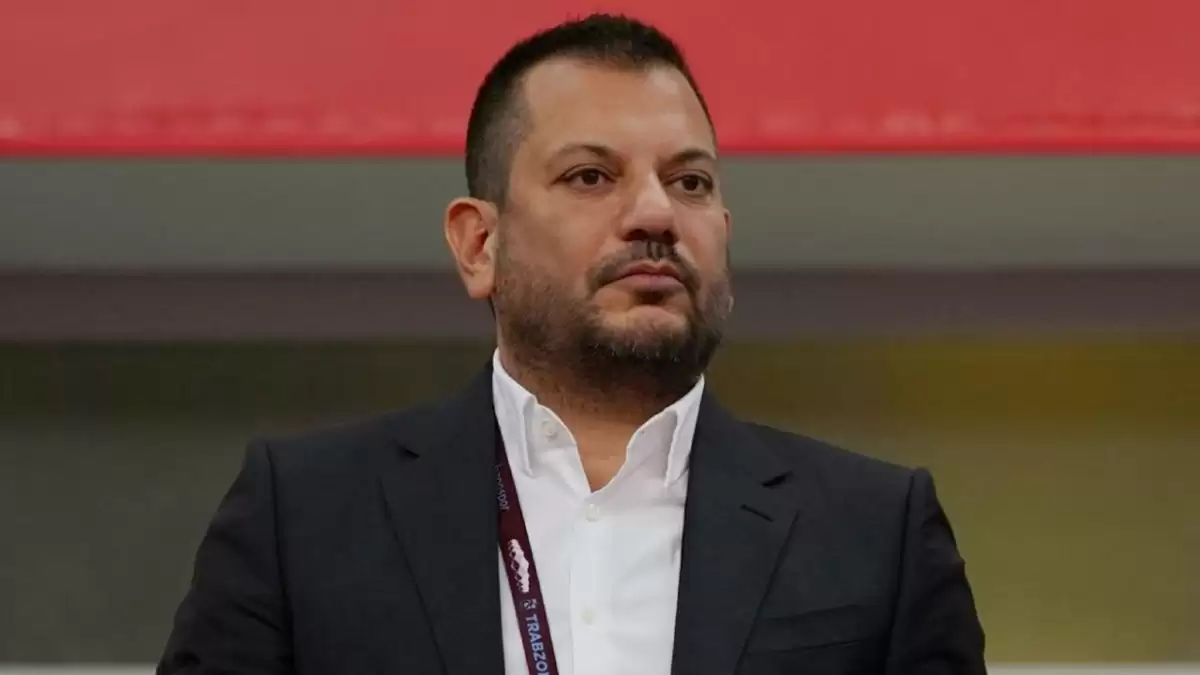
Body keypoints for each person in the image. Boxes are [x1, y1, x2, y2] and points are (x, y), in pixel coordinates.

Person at [158, 13, 986, 675]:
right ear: (479, 244)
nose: (656, 213)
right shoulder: (302, 517)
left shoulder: (878, 532)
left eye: (690, 181)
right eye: (591, 176)